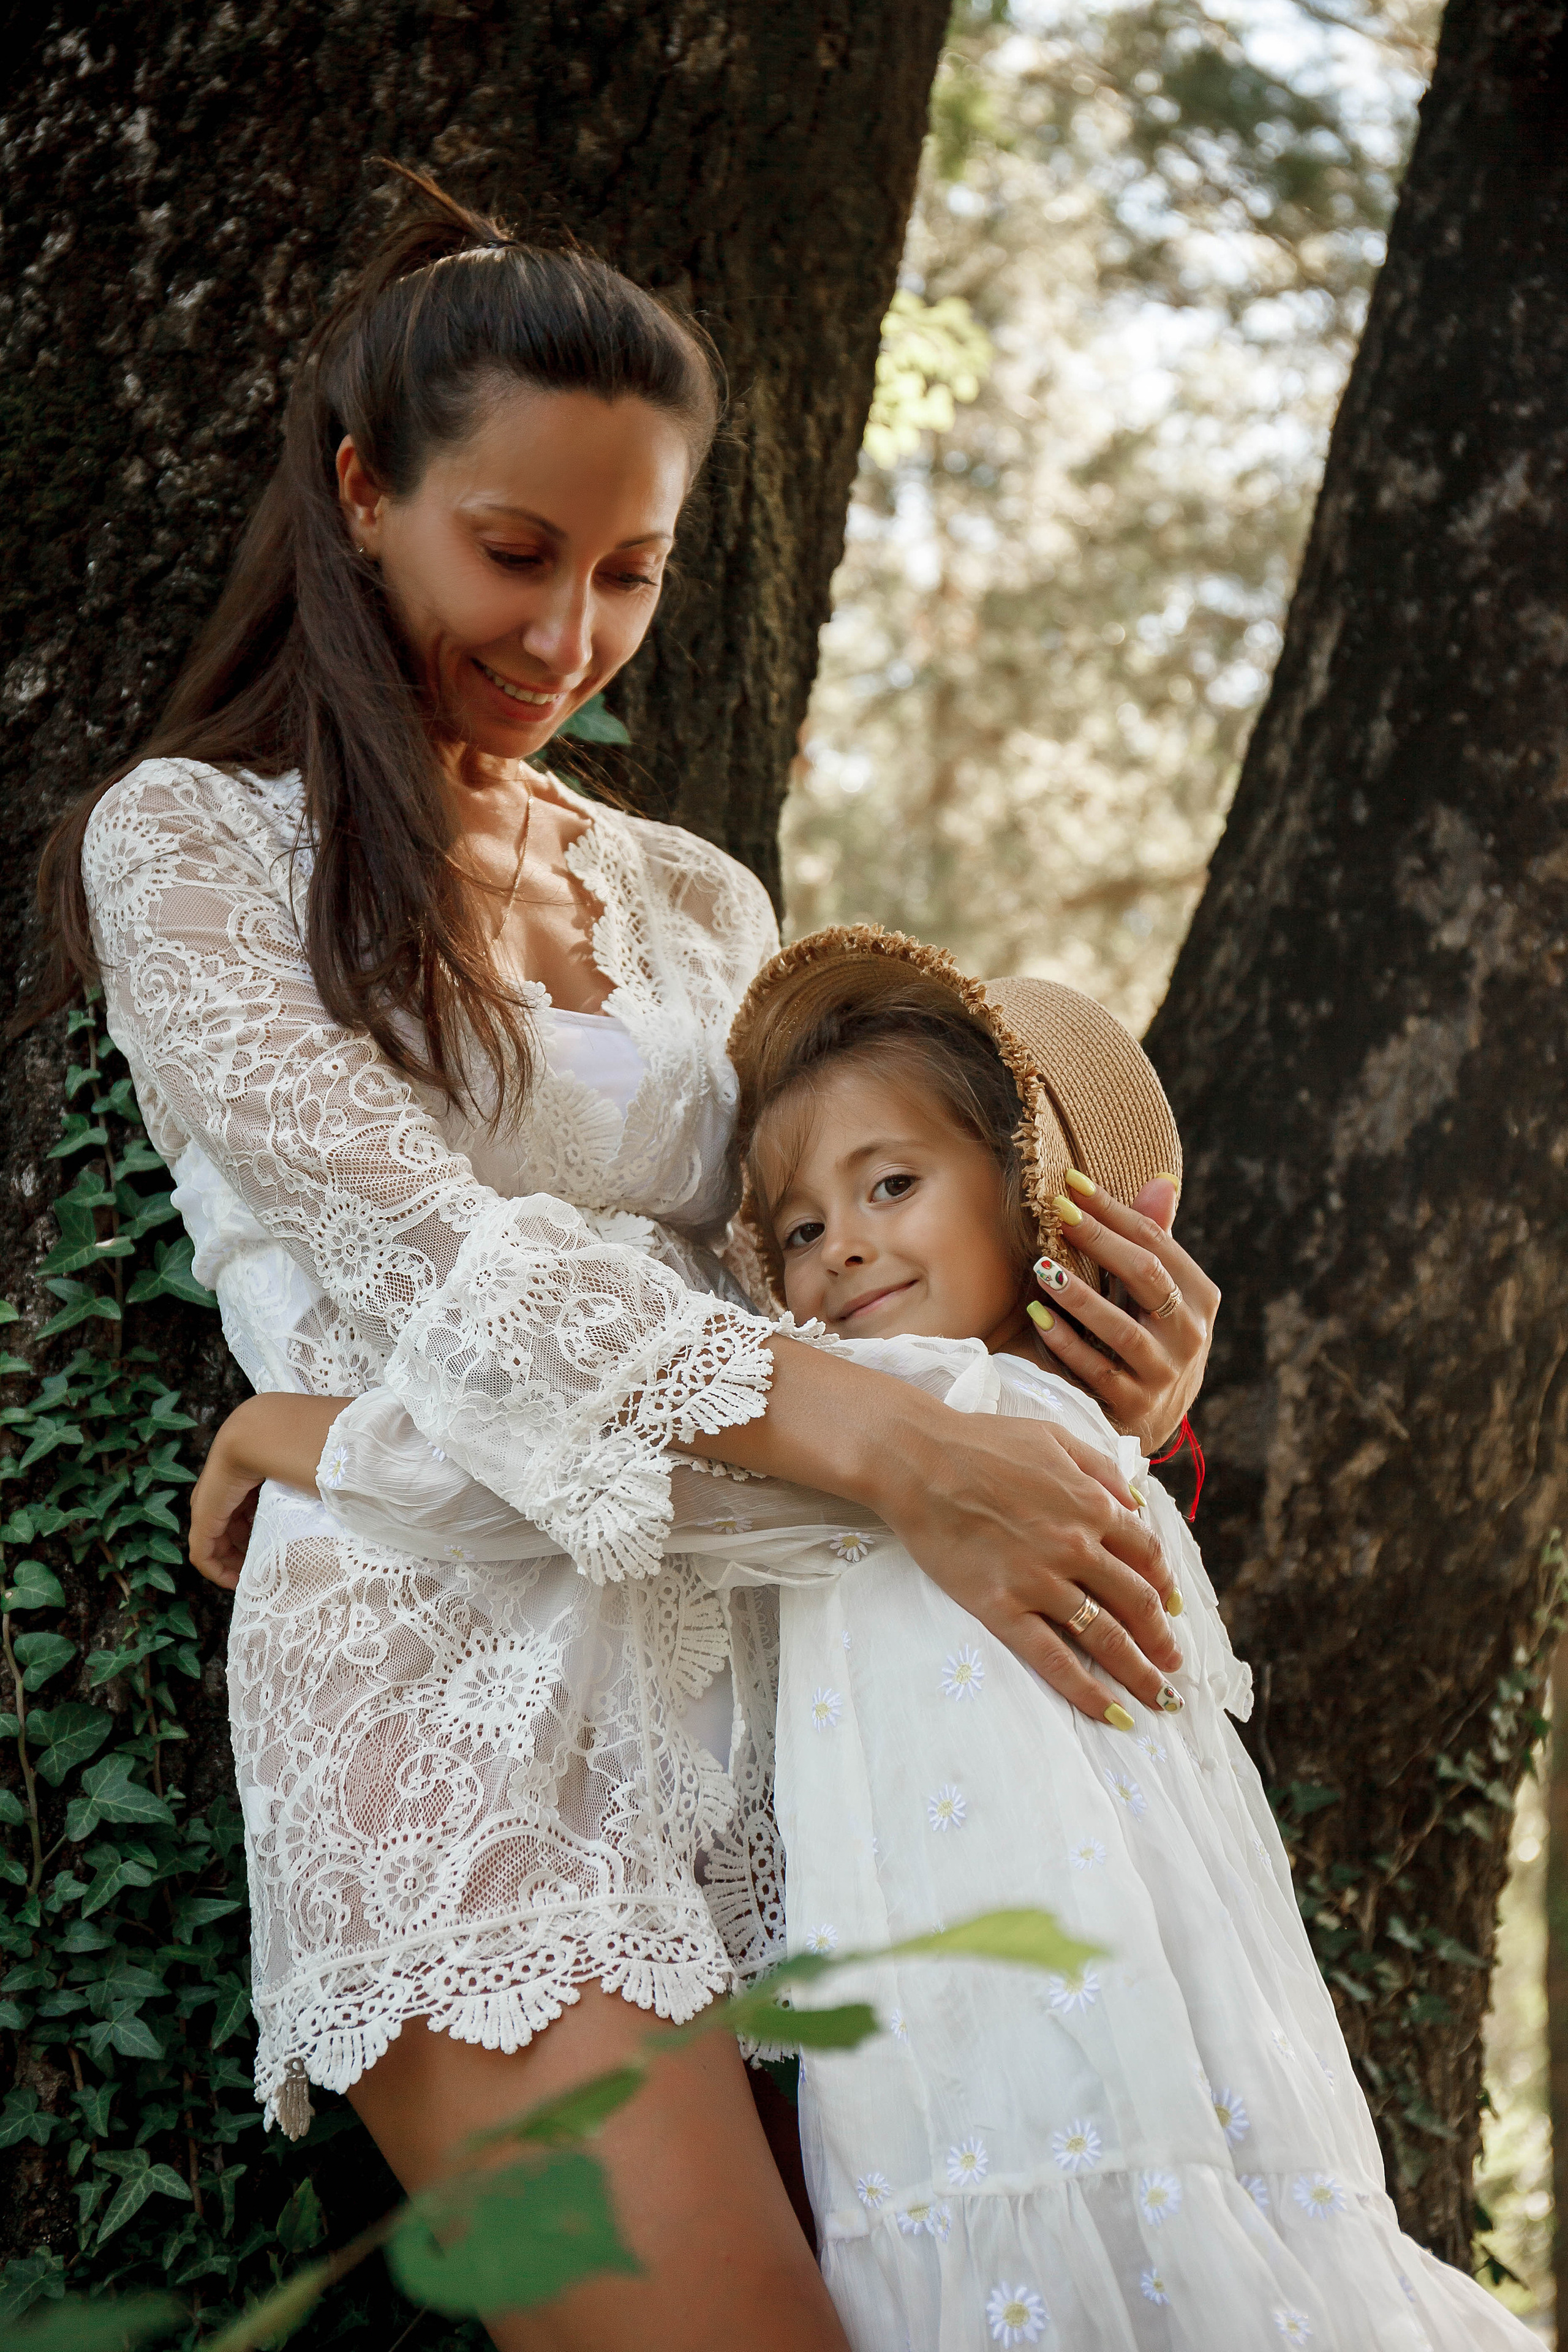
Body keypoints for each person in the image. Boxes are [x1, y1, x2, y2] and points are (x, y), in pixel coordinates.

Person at [34, 164, 1217, 2352]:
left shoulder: (700, 902)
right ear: (365, 492)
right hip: (433, 1684)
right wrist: (878, 1443)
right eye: (514, 552)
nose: (570, 635)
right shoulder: (192, 848)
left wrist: (1066, 1398)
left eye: (633, 572)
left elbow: (770, 1305)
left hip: (787, 1690)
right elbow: (454, 1273)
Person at [213, 927, 1536, 2351]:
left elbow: (604, 1491)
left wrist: (274, 1428)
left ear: (1042, 1220)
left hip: (1002, 2037)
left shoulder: (925, 1424)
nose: (837, 1246)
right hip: (1157, 2027)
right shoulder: (1081, 1449)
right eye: (792, 1230)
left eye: (890, 1186)